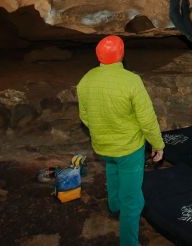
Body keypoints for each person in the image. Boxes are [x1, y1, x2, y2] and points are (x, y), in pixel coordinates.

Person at [77, 35, 165, 246]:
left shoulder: (86, 79)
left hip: (103, 146)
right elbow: (147, 119)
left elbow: (85, 116)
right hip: (129, 148)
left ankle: (114, 206)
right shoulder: (131, 81)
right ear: (122, 55)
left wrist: (102, 131)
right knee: (132, 201)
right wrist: (158, 144)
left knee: (112, 170)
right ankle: (129, 241)